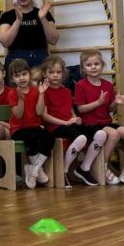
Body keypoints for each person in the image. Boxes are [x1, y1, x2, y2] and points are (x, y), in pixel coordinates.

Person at [74, 50, 124, 185]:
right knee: (113, 134)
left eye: (96, 64)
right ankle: (102, 167)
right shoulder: (80, 85)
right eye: (89, 65)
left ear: (102, 65)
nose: (93, 67)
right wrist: (98, 102)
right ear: (83, 68)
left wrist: (115, 102)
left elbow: (109, 109)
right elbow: (80, 109)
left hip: (105, 122)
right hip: (89, 124)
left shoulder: (108, 85)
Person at [39, 55, 88, 188]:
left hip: (67, 124)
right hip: (54, 127)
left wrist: (75, 118)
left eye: (58, 72)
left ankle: (82, 169)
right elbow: (44, 116)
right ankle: (64, 171)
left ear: (63, 73)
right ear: (44, 74)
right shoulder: (44, 91)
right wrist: (64, 122)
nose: (55, 75)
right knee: (81, 138)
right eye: (51, 72)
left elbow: (70, 110)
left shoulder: (66, 91)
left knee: (91, 133)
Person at [7, 58, 56, 189]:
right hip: (18, 130)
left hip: (34, 126)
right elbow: (18, 115)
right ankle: (38, 171)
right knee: (32, 139)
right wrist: (21, 100)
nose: (21, 78)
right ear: (12, 79)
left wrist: (41, 94)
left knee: (49, 138)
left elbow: (39, 112)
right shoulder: (12, 93)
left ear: (29, 74)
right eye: (17, 75)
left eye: (24, 74)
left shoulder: (35, 90)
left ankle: (34, 168)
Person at [0, 0, 59, 70]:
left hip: (40, 60)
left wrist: (43, 19)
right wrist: (18, 20)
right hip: (16, 62)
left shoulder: (43, 14)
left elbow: (53, 40)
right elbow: (5, 42)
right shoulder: (7, 15)